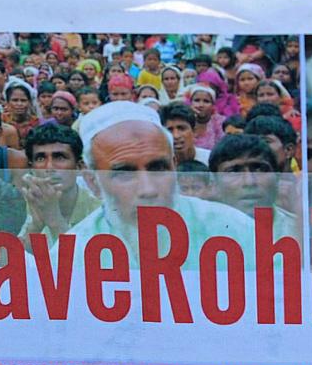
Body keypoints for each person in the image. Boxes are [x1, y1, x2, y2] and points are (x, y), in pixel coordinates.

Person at [69, 101, 252, 264]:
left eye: (157, 168)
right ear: (92, 182)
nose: (148, 189)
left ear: (174, 165)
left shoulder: (234, 230)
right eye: (125, 174)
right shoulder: (73, 256)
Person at [209, 134, 298, 238]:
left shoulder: (302, 232)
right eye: (234, 171)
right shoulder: (197, 231)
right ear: (214, 184)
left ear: (277, 177)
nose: (249, 182)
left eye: (259, 169)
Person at [19, 123, 97, 240]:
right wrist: (35, 227)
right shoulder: (18, 207)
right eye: (40, 158)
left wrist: (54, 220)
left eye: (59, 157)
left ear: (79, 166)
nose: (49, 167)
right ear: (31, 167)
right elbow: (13, 257)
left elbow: (82, 258)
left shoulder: (98, 212)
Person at [160, 102, 211, 166]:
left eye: (181, 128)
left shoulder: (210, 160)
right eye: (169, 130)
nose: (176, 136)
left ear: (194, 131)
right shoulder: (161, 165)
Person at [185, 83, 226, 151]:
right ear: (190, 103)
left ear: (213, 105)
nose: (201, 105)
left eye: (206, 101)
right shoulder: (184, 121)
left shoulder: (220, 122)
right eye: (197, 100)